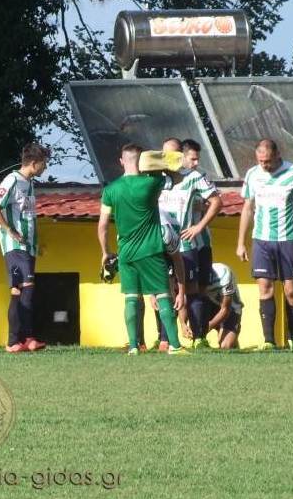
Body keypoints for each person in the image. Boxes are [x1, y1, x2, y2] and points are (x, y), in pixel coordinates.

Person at [97, 143, 185, 355]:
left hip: (126, 252)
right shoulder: (152, 182)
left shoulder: (110, 190)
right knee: (163, 295)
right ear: (142, 161)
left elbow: (102, 226)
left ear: (121, 162)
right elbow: (179, 178)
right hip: (151, 248)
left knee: (131, 297)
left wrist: (105, 252)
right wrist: (160, 163)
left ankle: (134, 346)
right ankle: (174, 346)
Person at [236, 139, 293, 350]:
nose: (264, 165)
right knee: (265, 287)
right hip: (261, 239)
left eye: (268, 161)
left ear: (278, 155)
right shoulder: (252, 174)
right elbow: (247, 208)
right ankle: (269, 340)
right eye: (261, 161)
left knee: (291, 291)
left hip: (288, 239)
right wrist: (241, 242)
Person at [0, 142, 50, 353]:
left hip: (28, 246)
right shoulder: (12, 180)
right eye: (44, 163)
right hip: (15, 246)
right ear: (34, 163)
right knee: (27, 289)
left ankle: (19, 340)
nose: (45, 167)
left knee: (19, 290)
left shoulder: (29, 183)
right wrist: (10, 230)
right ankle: (20, 339)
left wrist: (35, 243)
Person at [160, 137, 223, 349]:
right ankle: (165, 339)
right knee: (164, 291)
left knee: (193, 290)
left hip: (187, 245)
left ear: (179, 155)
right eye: (164, 154)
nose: (167, 158)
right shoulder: (157, 179)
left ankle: (199, 337)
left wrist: (198, 227)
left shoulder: (195, 178)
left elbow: (217, 201)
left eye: (172, 154)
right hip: (161, 244)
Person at [202, 262, 243, 350]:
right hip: (209, 306)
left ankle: (233, 340)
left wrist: (208, 326)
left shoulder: (223, 274)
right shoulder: (193, 275)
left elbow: (225, 310)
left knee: (225, 346)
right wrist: (184, 324)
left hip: (230, 308)